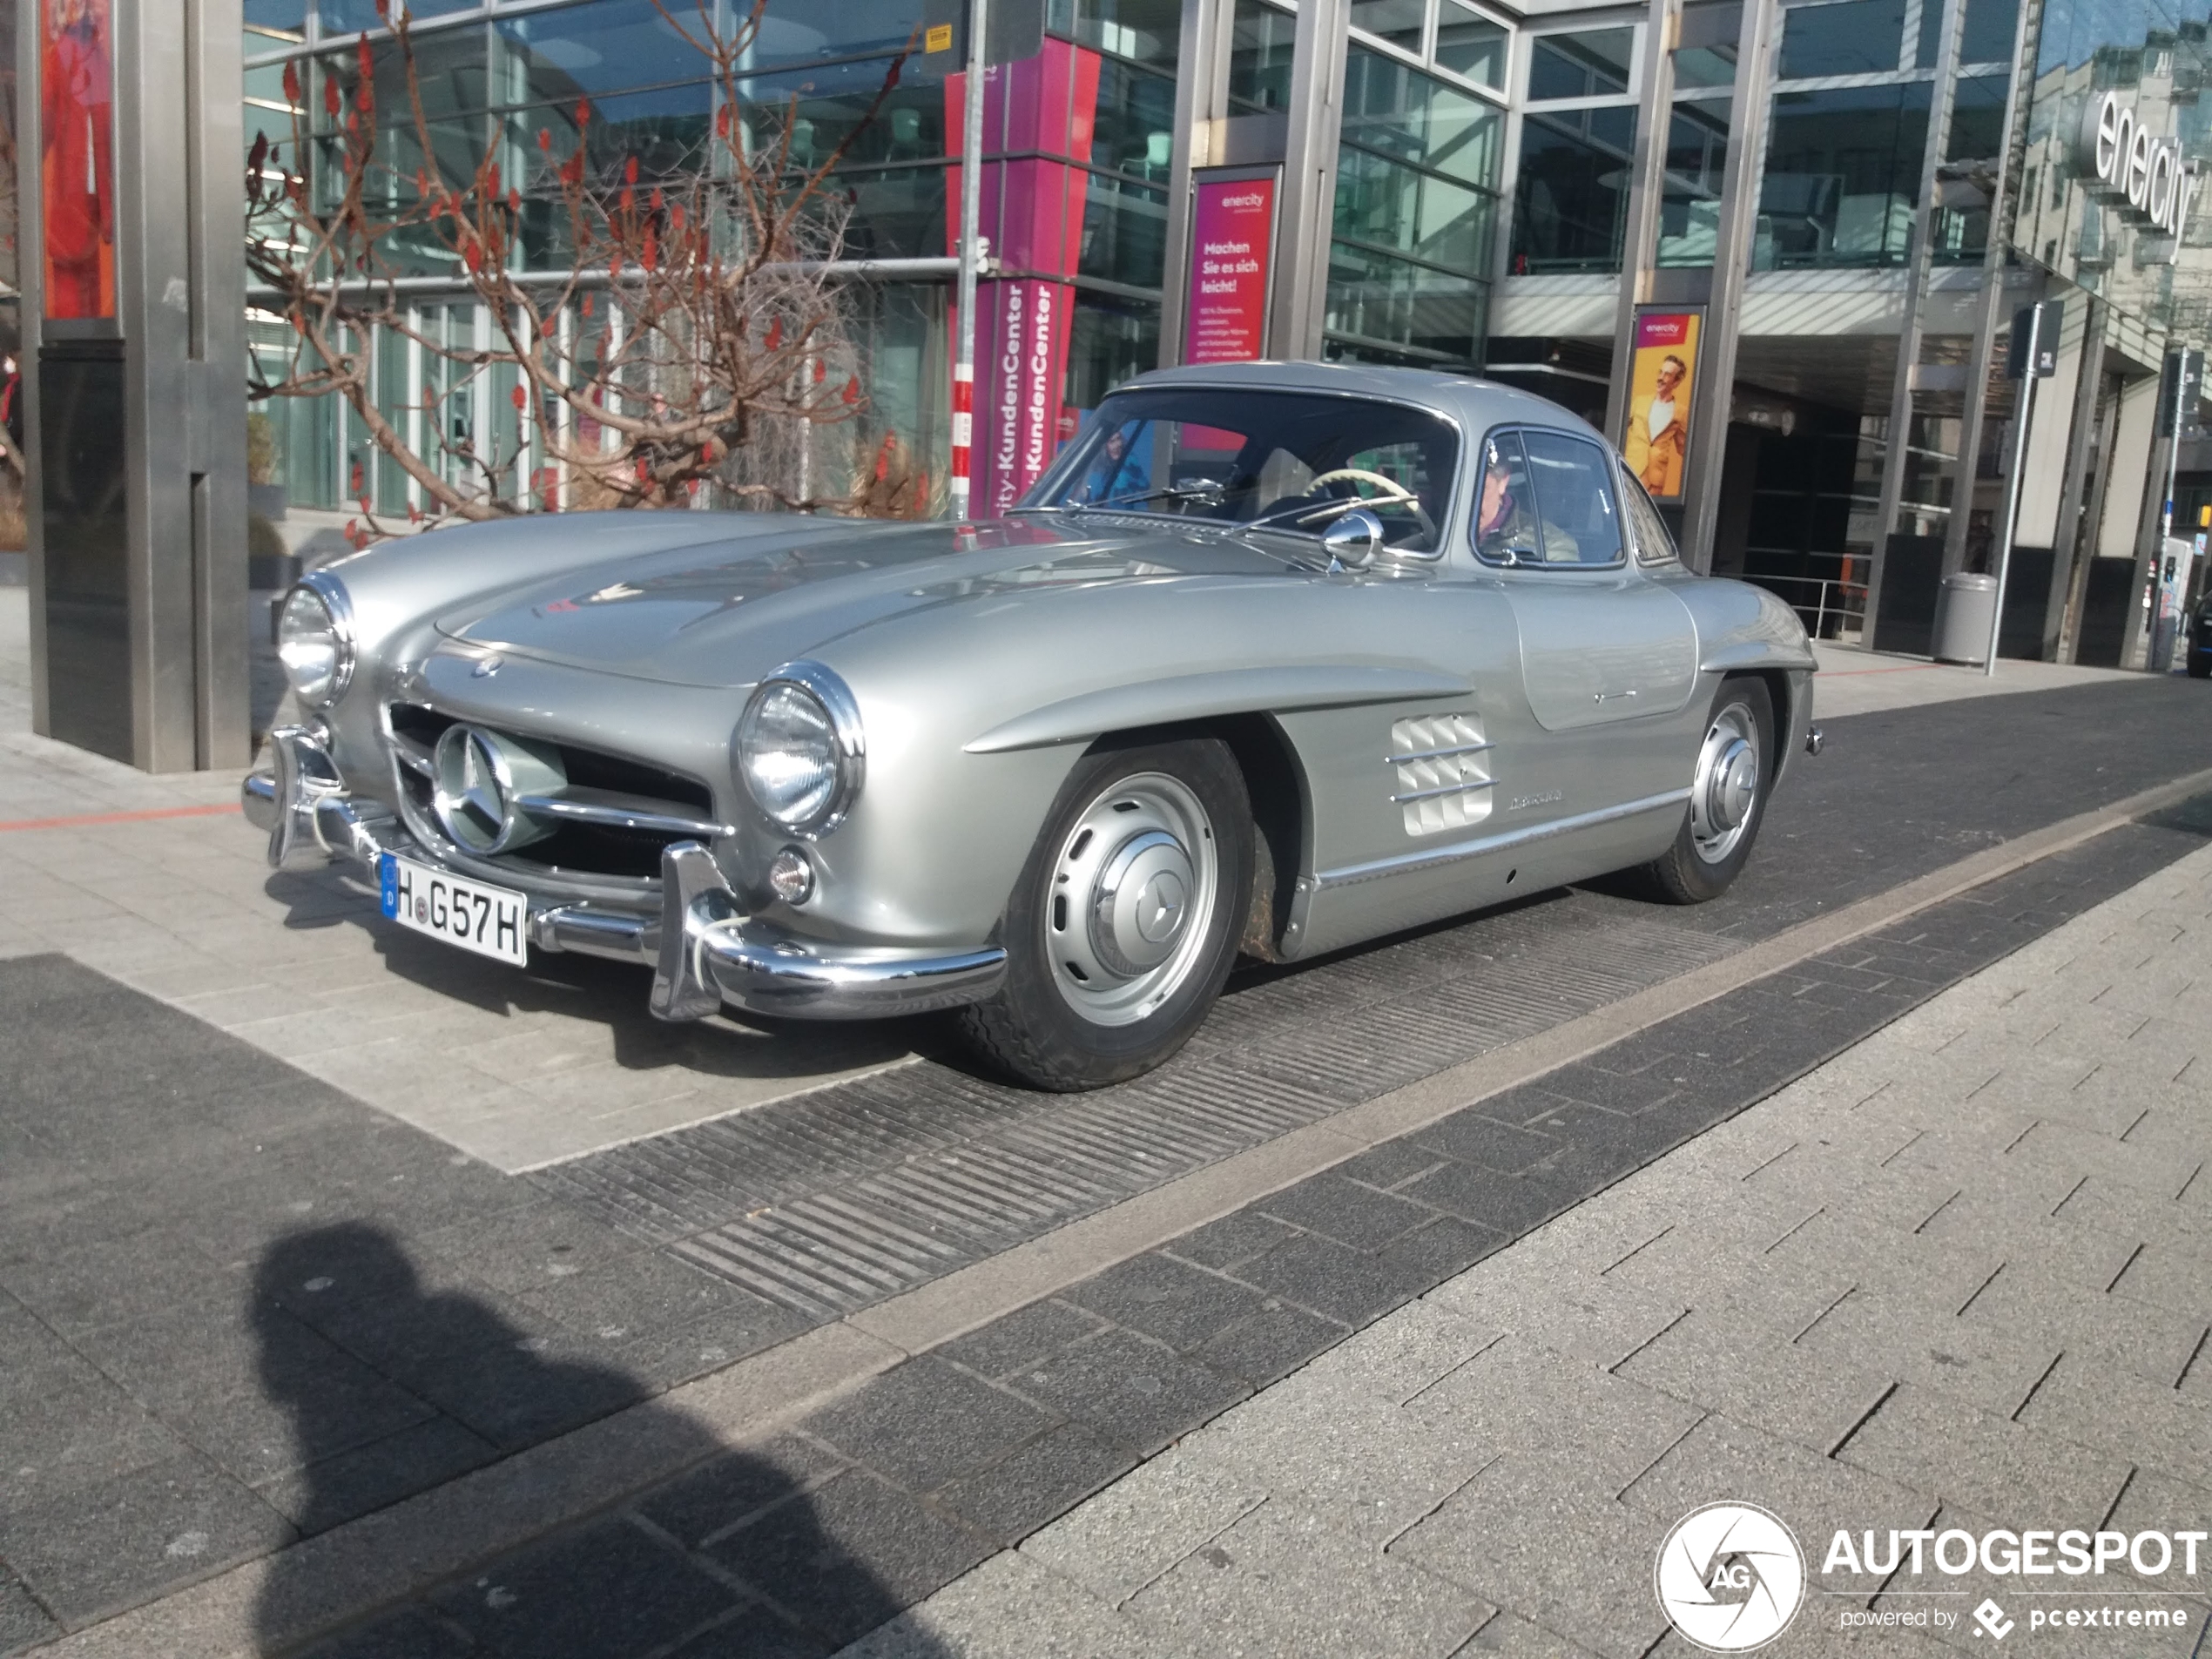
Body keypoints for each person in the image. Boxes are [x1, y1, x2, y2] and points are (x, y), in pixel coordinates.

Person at [1626, 354, 1689, 499]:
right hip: (1631, 468)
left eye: (1667, 374)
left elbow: (1685, 448)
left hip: (1655, 479)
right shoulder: (1639, 402)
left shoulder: (1680, 412)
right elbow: (1620, 430)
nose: (1660, 378)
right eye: (1660, 372)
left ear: (1676, 382)